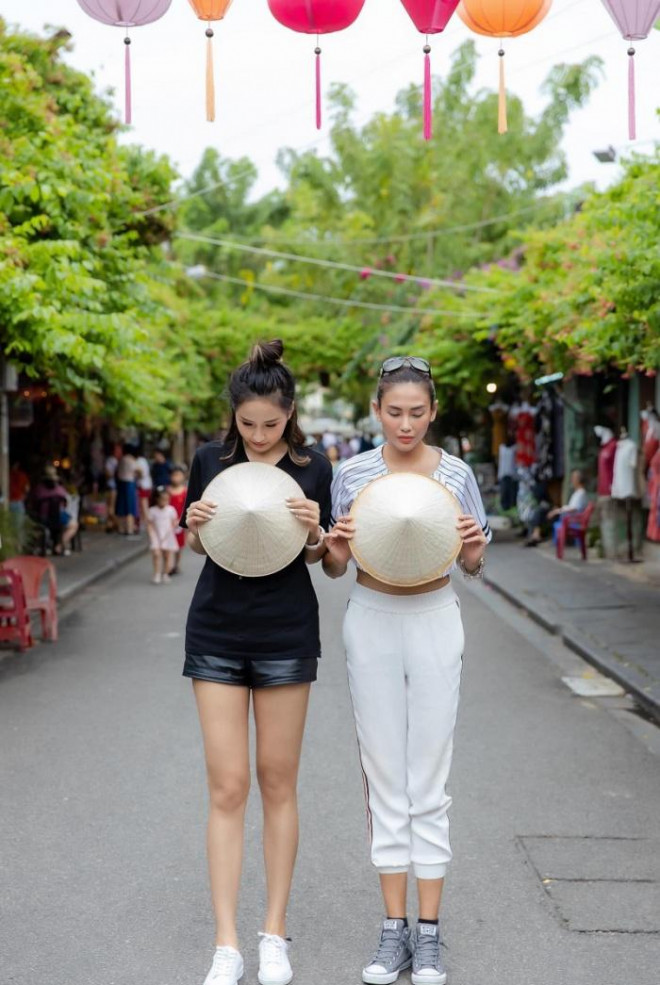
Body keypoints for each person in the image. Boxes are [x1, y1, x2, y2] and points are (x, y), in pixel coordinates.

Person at [323, 355, 490, 985]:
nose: (405, 424)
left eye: (417, 412)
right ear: (376, 411)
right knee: (384, 774)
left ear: (433, 412)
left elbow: (472, 562)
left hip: (435, 616)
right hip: (370, 616)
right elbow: (337, 564)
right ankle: (393, 931)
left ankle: (429, 935)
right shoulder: (353, 473)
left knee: (430, 777)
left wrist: (472, 550)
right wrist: (334, 551)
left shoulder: (456, 473)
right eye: (394, 412)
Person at [182, 340, 332, 985]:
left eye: (271, 424)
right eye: (249, 424)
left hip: (287, 631)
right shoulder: (209, 461)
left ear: (289, 413)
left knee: (277, 782)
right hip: (215, 627)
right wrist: (192, 525)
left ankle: (274, 932)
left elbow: (320, 560)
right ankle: (227, 943)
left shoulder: (314, 466)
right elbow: (204, 547)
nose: (261, 436)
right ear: (234, 416)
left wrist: (318, 531)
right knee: (227, 786)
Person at [525, 468, 588, 547]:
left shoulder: (581, 493)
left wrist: (557, 511)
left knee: (541, 513)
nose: (572, 480)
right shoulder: (578, 492)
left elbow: (573, 509)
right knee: (539, 511)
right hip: (567, 515)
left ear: (578, 480)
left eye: (573, 478)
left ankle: (536, 535)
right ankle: (535, 534)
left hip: (569, 518)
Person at [147, 487, 179, 584]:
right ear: (157, 499)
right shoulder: (152, 510)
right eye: (162, 499)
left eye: (166, 499)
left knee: (167, 556)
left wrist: (174, 526)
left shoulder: (171, 509)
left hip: (168, 535)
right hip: (156, 535)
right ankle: (157, 573)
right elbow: (150, 524)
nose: (165, 501)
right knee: (156, 554)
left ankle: (165, 573)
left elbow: (174, 521)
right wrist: (152, 535)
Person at [168, 465, 188, 575]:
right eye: (174, 475)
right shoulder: (167, 490)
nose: (176, 478)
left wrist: (182, 520)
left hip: (179, 522)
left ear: (183, 477)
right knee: (169, 543)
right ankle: (169, 565)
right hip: (168, 522)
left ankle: (177, 564)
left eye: (178, 475)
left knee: (179, 545)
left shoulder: (185, 491)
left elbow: (186, 507)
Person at [115, 444, 139, 536]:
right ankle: (130, 529)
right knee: (130, 507)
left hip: (121, 483)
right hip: (129, 483)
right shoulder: (131, 459)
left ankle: (121, 528)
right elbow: (138, 470)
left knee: (121, 506)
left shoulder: (121, 459)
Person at [135, 449, 154, 529]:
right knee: (145, 505)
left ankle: (146, 522)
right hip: (147, 485)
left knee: (143, 505)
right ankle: (145, 522)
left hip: (142, 485)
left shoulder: (138, 461)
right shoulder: (143, 460)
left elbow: (141, 474)